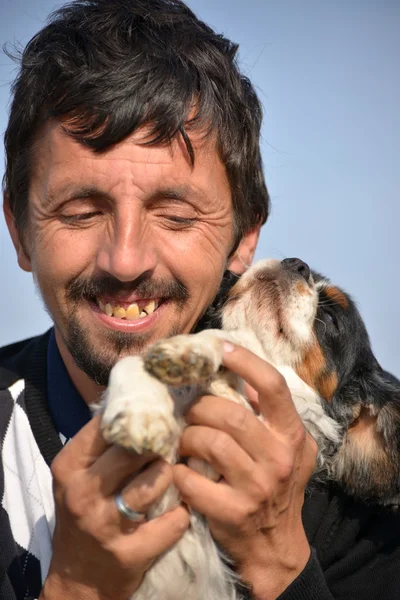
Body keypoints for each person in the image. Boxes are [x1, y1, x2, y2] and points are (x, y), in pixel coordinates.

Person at [1, 1, 399, 599]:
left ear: (244, 237)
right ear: (19, 231)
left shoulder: (358, 518)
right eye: (80, 212)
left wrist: (281, 562)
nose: (126, 259)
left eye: (177, 215)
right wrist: (75, 589)